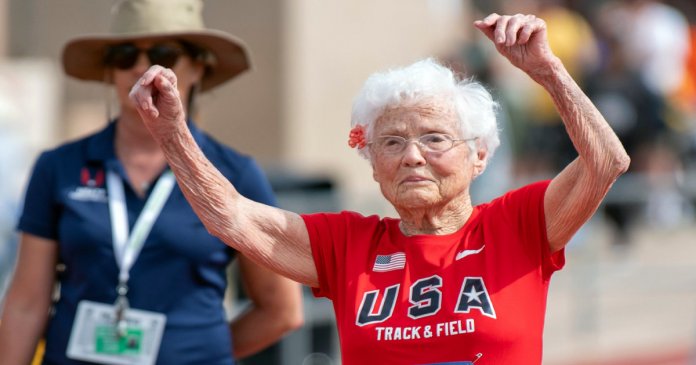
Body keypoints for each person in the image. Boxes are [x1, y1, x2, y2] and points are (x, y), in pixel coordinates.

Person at [129, 12, 630, 364]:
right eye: (391, 142)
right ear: (372, 164)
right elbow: (231, 217)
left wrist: (547, 71)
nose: (412, 155)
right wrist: (173, 134)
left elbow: (606, 160)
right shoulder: (348, 246)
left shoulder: (517, 225)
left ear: (479, 155)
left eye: (434, 138)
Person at [0, 0, 302, 364]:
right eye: (126, 55)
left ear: (198, 68)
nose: (142, 67)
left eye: (163, 54)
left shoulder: (234, 174)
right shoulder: (58, 167)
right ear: (110, 71)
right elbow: (25, 303)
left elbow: (282, 310)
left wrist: (201, 352)